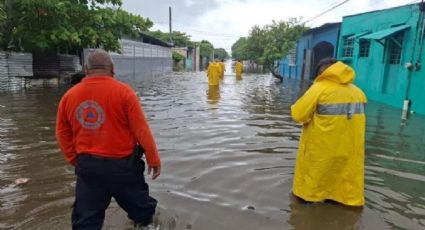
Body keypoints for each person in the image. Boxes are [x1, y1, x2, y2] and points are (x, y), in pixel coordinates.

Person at [55, 49, 161, 230]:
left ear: (86, 69)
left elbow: (62, 133)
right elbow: (141, 130)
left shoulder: (69, 96)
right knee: (143, 215)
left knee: (85, 223)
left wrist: (75, 160)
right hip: (123, 168)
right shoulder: (124, 92)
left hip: (88, 168)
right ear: (112, 68)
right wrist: (153, 159)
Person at [290, 58, 367, 206]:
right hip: (349, 150)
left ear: (321, 71)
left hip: (321, 149)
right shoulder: (358, 92)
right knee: (341, 188)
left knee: (310, 192)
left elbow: (298, 115)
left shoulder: (319, 89)